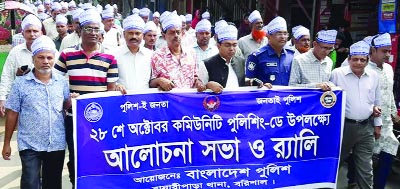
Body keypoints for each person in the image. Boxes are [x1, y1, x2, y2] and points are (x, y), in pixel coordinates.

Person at [53, 8, 119, 187]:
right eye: (88, 29)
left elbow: (110, 90)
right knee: (75, 156)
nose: (93, 33)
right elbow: (55, 83)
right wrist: (67, 100)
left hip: (99, 120)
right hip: (74, 119)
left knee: (99, 156)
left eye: (96, 29)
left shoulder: (110, 57)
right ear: (79, 30)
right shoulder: (67, 54)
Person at [2, 35, 72, 189]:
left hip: (56, 143)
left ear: (54, 59)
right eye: (41, 57)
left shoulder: (62, 83)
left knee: (52, 184)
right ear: (33, 58)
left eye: (49, 57)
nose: (45, 61)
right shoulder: (20, 84)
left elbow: (66, 107)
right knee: (30, 183)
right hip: (29, 144)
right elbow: (12, 113)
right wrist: (7, 143)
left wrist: (73, 101)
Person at [330, 40, 382, 189]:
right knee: (336, 162)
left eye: (362, 60)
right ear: (349, 59)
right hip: (344, 127)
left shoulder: (373, 76)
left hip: (366, 127)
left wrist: (377, 124)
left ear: (367, 60)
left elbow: (377, 100)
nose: (358, 63)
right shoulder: (337, 74)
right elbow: (330, 101)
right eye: (355, 59)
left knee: (366, 167)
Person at [368, 33, 399, 189]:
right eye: (384, 51)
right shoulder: (364, 69)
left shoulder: (388, 69)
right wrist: (375, 123)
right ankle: (354, 182)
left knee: (391, 148)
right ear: (373, 50)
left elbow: (390, 93)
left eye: (389, 51)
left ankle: (379, 186)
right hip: (368, 123)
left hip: (386, 122)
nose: (388, 55)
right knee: (363, 158)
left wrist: (394, 114)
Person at [149, 11, 205, 92]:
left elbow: (195, 77)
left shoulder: (191, 53)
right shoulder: (157, 56)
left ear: (182, 33)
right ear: (164, 36)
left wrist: (199, 82)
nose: (176, 35)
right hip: (169, 102)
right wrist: (159, 81)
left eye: (178, 32)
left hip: (188, 101)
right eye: (172, 33)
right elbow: (151, 83)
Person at [0, 14, 43, 117]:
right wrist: (2, 98)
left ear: (41, 33)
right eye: (28, 31)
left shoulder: (50, 51)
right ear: (23, 33)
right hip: (20, 103)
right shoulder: (15, 52)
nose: (32, 34)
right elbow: (7, 76)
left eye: (35, 31)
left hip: (44, 102)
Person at [245, 16, 294, 86]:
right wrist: (260, 85)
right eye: (279, 33)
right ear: (268, 36)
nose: (283, 37)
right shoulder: (257, 56)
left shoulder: (291, 55)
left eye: (285, 34)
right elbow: (248, 80)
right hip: (265, 96)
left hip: (288, 96)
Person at [200, 25, 248, 93]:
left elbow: (243, 81)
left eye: (234, 45)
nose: (231, 49)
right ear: (218, 46)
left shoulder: (241, 61)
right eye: (227, 45)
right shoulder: (206, 64)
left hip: (238, 101)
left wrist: (253, 82)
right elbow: (200, 88)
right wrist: (208, 85)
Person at [112, 15, 153, 93]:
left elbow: (153, 79)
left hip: (144, 101)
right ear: (124, 34)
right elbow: (109, 80)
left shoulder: (150, 55)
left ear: (143, 36)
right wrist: (116, 85)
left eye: (137, 33)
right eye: (130, 33)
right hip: (122, 101)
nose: (134, 36)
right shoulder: (113, 55)